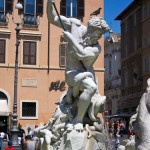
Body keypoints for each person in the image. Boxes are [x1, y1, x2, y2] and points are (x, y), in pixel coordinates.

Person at [47, 0, 110, 127]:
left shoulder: (96, 47)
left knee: (91, 87)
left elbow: (81, 54)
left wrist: (70, 39)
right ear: (91, 28)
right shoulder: (75, 26)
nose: (98, 37)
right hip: (72, 72)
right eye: (98, 33)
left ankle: (79, 119)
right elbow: (52, 18)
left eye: (100, 35)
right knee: (89, 87)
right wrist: (49, 3)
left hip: (87, 74)